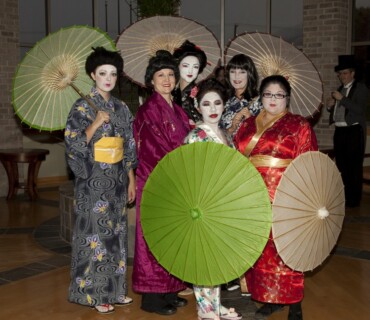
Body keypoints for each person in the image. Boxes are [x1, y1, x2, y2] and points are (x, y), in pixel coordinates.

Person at [234, 75, 318, 320]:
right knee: (260, 248)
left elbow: (308, 161)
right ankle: (270, 298)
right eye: (268, 94)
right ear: (261, 96)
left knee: (286, 248)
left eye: (279, 95)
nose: (273, 99)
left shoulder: (299, 125)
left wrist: (303, 197)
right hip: (251, 193)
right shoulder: (248, 124)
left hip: (284, 193)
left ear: (287, 98)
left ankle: (294, 302)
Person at [65, 47, 137, 314]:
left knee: (115, 237)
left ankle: (116, 291)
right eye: (103, 73)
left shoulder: (121, 108)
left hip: (117, 181)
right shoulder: (82, 106)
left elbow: (128, 147)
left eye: (113, 74)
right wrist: (94, 124)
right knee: (95, 237)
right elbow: (73, 145)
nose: (108, 78)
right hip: (93, 182)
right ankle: (93, 295)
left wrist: (130, 179)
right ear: (92, 75)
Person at [133, 50, 190, 315]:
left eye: (170, 74)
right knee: (153, 238)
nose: (166, 79)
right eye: (160, 75)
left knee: (172, 237)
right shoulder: (148, 110)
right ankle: (152, 298)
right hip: (156, 181)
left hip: (174, 180)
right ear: (151, 80)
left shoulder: (176, 109)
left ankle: (169, 290)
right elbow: (155, 149)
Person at [184, 78, 242, 320]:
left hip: (224, 203)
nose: (213, 109)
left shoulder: (226, 135)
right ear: (198, 106)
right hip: (203, 202)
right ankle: (205, 310)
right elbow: (187, 174)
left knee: (217, 255)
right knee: (204, 255)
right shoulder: (196, 135)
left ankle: (214, 304)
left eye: (217, 103)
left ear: (224, 105)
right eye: (206, 104)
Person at [327, 54, 369, 208]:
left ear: (353, 73)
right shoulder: (340, 89)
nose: (342, 77)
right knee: (342, 166)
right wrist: (330, 106)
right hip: (340, 131)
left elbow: (360, 109)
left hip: (353, 131)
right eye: (340, 74)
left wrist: (342, 99)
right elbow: (339, 110)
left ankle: (353, 200)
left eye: (345, 73)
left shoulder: (361, 88)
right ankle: (343, 198)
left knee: (353, 167)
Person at [220, 54, 263, 135]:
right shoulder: (222, 100)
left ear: (249, 74)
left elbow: (266, 133)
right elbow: (215, 133)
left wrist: (250, 119)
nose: (236, 76)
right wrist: (231, 129)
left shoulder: (260, 101)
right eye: (233, 71)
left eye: (242, 72)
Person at [173, 40, 208, 127]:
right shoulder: (171, 93)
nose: (190, 71)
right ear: (177, 66)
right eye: (185, 65)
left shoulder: (202, 94)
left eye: (195, 67)